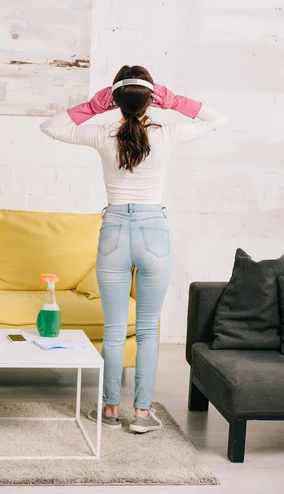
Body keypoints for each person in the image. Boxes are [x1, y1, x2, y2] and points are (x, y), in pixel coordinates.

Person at [40, 65, 226, 433]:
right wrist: (173, 101)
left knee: (113, 331)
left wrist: (93, 107)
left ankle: (109, 411)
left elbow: (50, 126)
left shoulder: (102, 133)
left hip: (113, 232)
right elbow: (217, 119)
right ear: (151, 97)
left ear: (116, 99)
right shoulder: (168, 133)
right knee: (147, 332)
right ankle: (142, 415)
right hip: (153, 231)